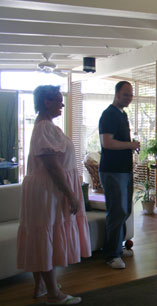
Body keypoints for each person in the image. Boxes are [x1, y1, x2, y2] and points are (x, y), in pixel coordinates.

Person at [17, 85, 91, 305]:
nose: (62, 103)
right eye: (58, 100)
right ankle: (53, 294)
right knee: (44, 233)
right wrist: (70, 193)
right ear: (46, 102)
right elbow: (52, 165)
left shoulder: (45, 127)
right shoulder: (44, 128)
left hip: (44, 188)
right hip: (48, 190)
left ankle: (41, 286)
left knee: (40, 233)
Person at [98, 81, 140, 269]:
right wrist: (130, 145)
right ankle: (111, 255)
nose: (129, 98)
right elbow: (107, 143)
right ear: (116, 94)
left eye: (131, 95)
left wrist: (130, 147)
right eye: (125, 95)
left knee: (125, 210)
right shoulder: (108, 114)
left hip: (124, 169)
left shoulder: (122, 115)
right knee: (117, 211)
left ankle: (118, 247)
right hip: (112, 170)